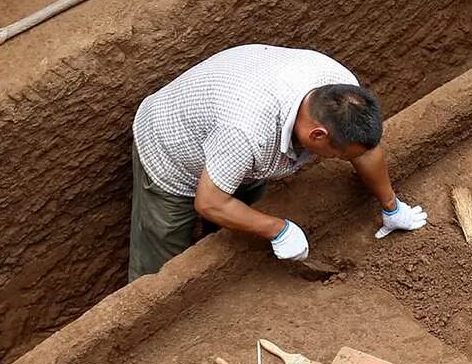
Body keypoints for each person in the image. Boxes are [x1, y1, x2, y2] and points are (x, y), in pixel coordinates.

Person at [126, 44, 427, 281]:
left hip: (236, 131)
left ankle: (215, 247)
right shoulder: (247, 133)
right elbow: (209, 203)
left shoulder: (343, 92)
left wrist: (391, 205)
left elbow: (365, 150)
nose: (342, 160)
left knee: (237, 217)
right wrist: (277, 229)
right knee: (163, 256)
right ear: (317, 135)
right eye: (338, 155)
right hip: (173, 147)